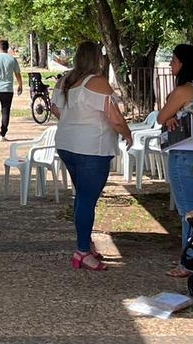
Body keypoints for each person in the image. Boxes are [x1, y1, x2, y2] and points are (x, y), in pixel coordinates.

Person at [50, 41, 133, 271]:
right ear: (96, 59)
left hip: (67, 145)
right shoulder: (97, 82)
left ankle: (84, 243)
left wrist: (73, 122)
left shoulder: (65, 80)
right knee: (88, 199)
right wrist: (127, 134)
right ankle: (82, 251)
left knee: (82, 197)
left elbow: (55, 109)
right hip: (92, 149)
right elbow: (115, 117)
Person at [157, 43, 193, 278]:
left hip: (182, 153)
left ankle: (187, 261)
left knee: (188, 210)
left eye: (175, 60)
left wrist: (169, 118)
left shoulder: (183, 90)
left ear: (184, 64)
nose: (171, 64)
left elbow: (161, 116)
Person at [0, 38, 24, 140]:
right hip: (8, 90)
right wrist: (20, 85)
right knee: (5, 111)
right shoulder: (12, 59)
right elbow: (17, 74)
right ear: (7, 47)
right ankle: (3, 134)